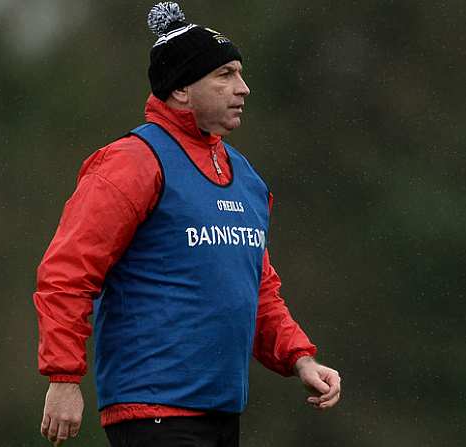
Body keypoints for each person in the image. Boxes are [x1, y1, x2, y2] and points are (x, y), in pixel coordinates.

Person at [33, 3, 341, 446]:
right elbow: (67, 273)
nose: (244, 88)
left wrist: (300, 359)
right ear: (180, 90)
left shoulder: (246, 177)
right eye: (225, 75)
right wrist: (64, 376)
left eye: (240, 73)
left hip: (221, 410)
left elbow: (256, 287)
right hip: (155, 411)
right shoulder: (132, 162)